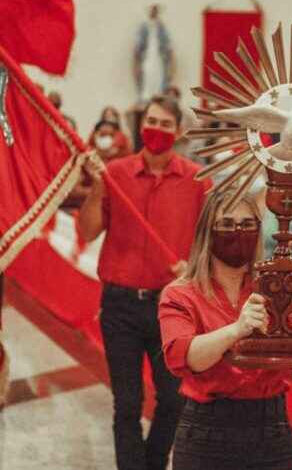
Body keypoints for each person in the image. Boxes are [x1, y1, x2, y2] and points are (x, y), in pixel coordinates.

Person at [159, 191, 292, 470]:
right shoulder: (181, 294)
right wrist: (236, 330)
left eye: (247, 225)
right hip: (206, 433)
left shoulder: (276, 287)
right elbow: (182, 357)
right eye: (227, 224)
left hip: (271, 431)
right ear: (208, 231)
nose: (238, 232)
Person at [79, 95, 211, 470]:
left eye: (166, 124)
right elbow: (87, 231)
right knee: (127, 403)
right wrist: (98, 187)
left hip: (171, 307)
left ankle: (151, 465)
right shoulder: (116, 174)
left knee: (172, 400)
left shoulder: (197, 181)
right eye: (152, 121)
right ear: (141, 125)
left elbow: (211, 243)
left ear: (180, 132)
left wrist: (195, 265)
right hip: (120, 305)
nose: (157, 130)